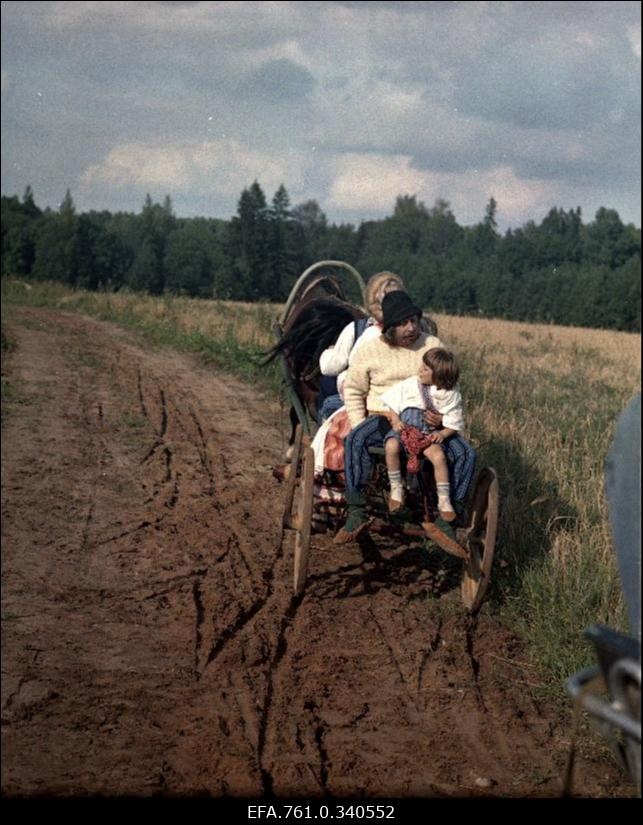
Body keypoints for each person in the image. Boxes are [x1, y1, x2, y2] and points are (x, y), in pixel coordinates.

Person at [335, 290, 476, 543]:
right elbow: (354, 391)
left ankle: (449, 519)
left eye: (414, 320)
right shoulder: (369, 350)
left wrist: (442, 420)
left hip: (428, 420)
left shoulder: (432, 345)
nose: (411, 328)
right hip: (384, 416)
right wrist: (360, 424)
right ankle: (356, 511)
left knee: (466, 453)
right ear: (389, 328)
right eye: (403, 323)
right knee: (355, 440)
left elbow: (448, 387)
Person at [380, 348, 465, 520]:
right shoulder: (411, 384)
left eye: (426, 369)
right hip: (404, 429)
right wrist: (396, 421)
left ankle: (443, 499)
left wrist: (443, 433)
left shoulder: (451, 395)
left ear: (440, 377)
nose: (420, 370)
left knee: (439, 456)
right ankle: (396, 488)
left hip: (427, 433)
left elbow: (454, 422)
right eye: (422, 366)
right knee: (391, 446)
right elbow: (393, 403)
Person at [316, 271, 406, 420]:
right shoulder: (414, 331)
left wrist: (328, 352)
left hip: (365, 404)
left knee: (327, 399)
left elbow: (330, 367)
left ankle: (324, 432)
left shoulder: (358, 330)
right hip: (403, 404)